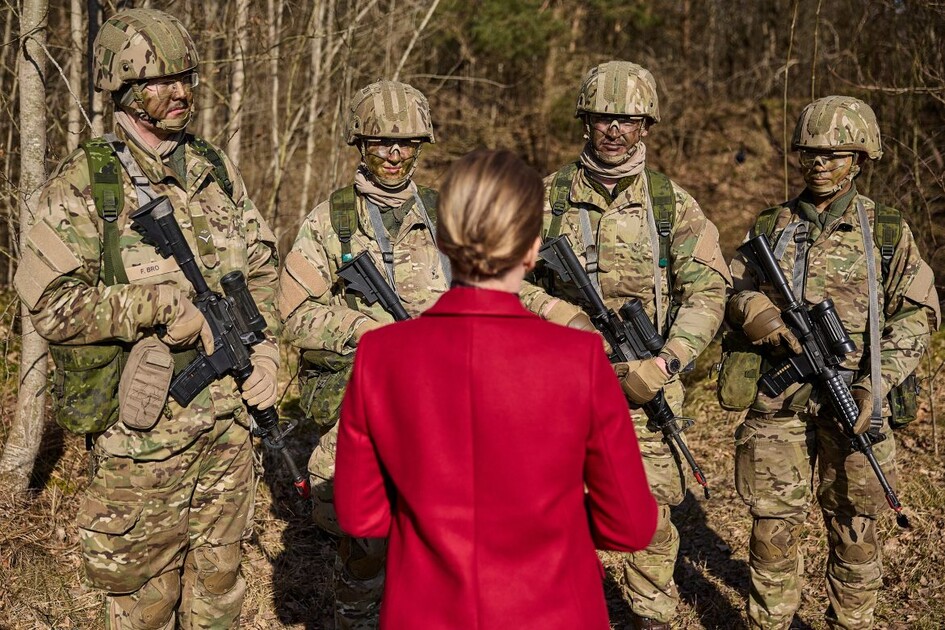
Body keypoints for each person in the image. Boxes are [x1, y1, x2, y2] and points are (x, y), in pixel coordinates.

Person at [13, 8, 280, 629]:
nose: (180, 92)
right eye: (161, 81)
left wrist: (265, 352)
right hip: (144, 449)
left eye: (185, 77)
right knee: (142, 609)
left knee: (220, 595)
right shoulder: (86, 184)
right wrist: (156, 305)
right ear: (125, 90)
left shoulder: (215, 171)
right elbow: (50, 305)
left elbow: (262, 269)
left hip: (228, 436)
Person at [333, 148, 658, 629]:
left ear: (442, 241)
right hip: (554, 612)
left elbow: (361, 516)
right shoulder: (580, 361)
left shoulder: (381, 355)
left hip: (424, 613)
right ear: (531, 248)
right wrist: (550, 521)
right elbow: (629, 525)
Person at [520, 60, 731, 629]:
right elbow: (500, 281)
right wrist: (560, 313)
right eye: (603, 118)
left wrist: (669, 359)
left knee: (650, 515)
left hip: (645, 387)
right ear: (585, 121)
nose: (614, 129)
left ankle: (651, 616)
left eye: (628, 119)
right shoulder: (545, 200)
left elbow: (709, 290)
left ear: (646, 126)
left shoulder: (671, 205)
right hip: (559, 390)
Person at [726, 95, 939, 629]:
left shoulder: (886, 232)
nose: (819, 164)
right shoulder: (771, 226)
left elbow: (919, 314)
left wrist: (876, 384)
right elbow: (729, 288)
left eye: (835, 154)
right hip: (779, 403)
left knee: (856, 529)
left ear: (861, 158)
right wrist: (757, 313)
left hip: (856, 403)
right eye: (810, 154)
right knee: (772, 529)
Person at [277, 79, 449, 629]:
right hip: (365, 413)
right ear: (360, 144)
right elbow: (294, 314)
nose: (395, 155)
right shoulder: (330, 222)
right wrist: (367, 330)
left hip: (441, 414)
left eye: (406, 144)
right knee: (363, 548)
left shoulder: (450, 218)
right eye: (381, 142)